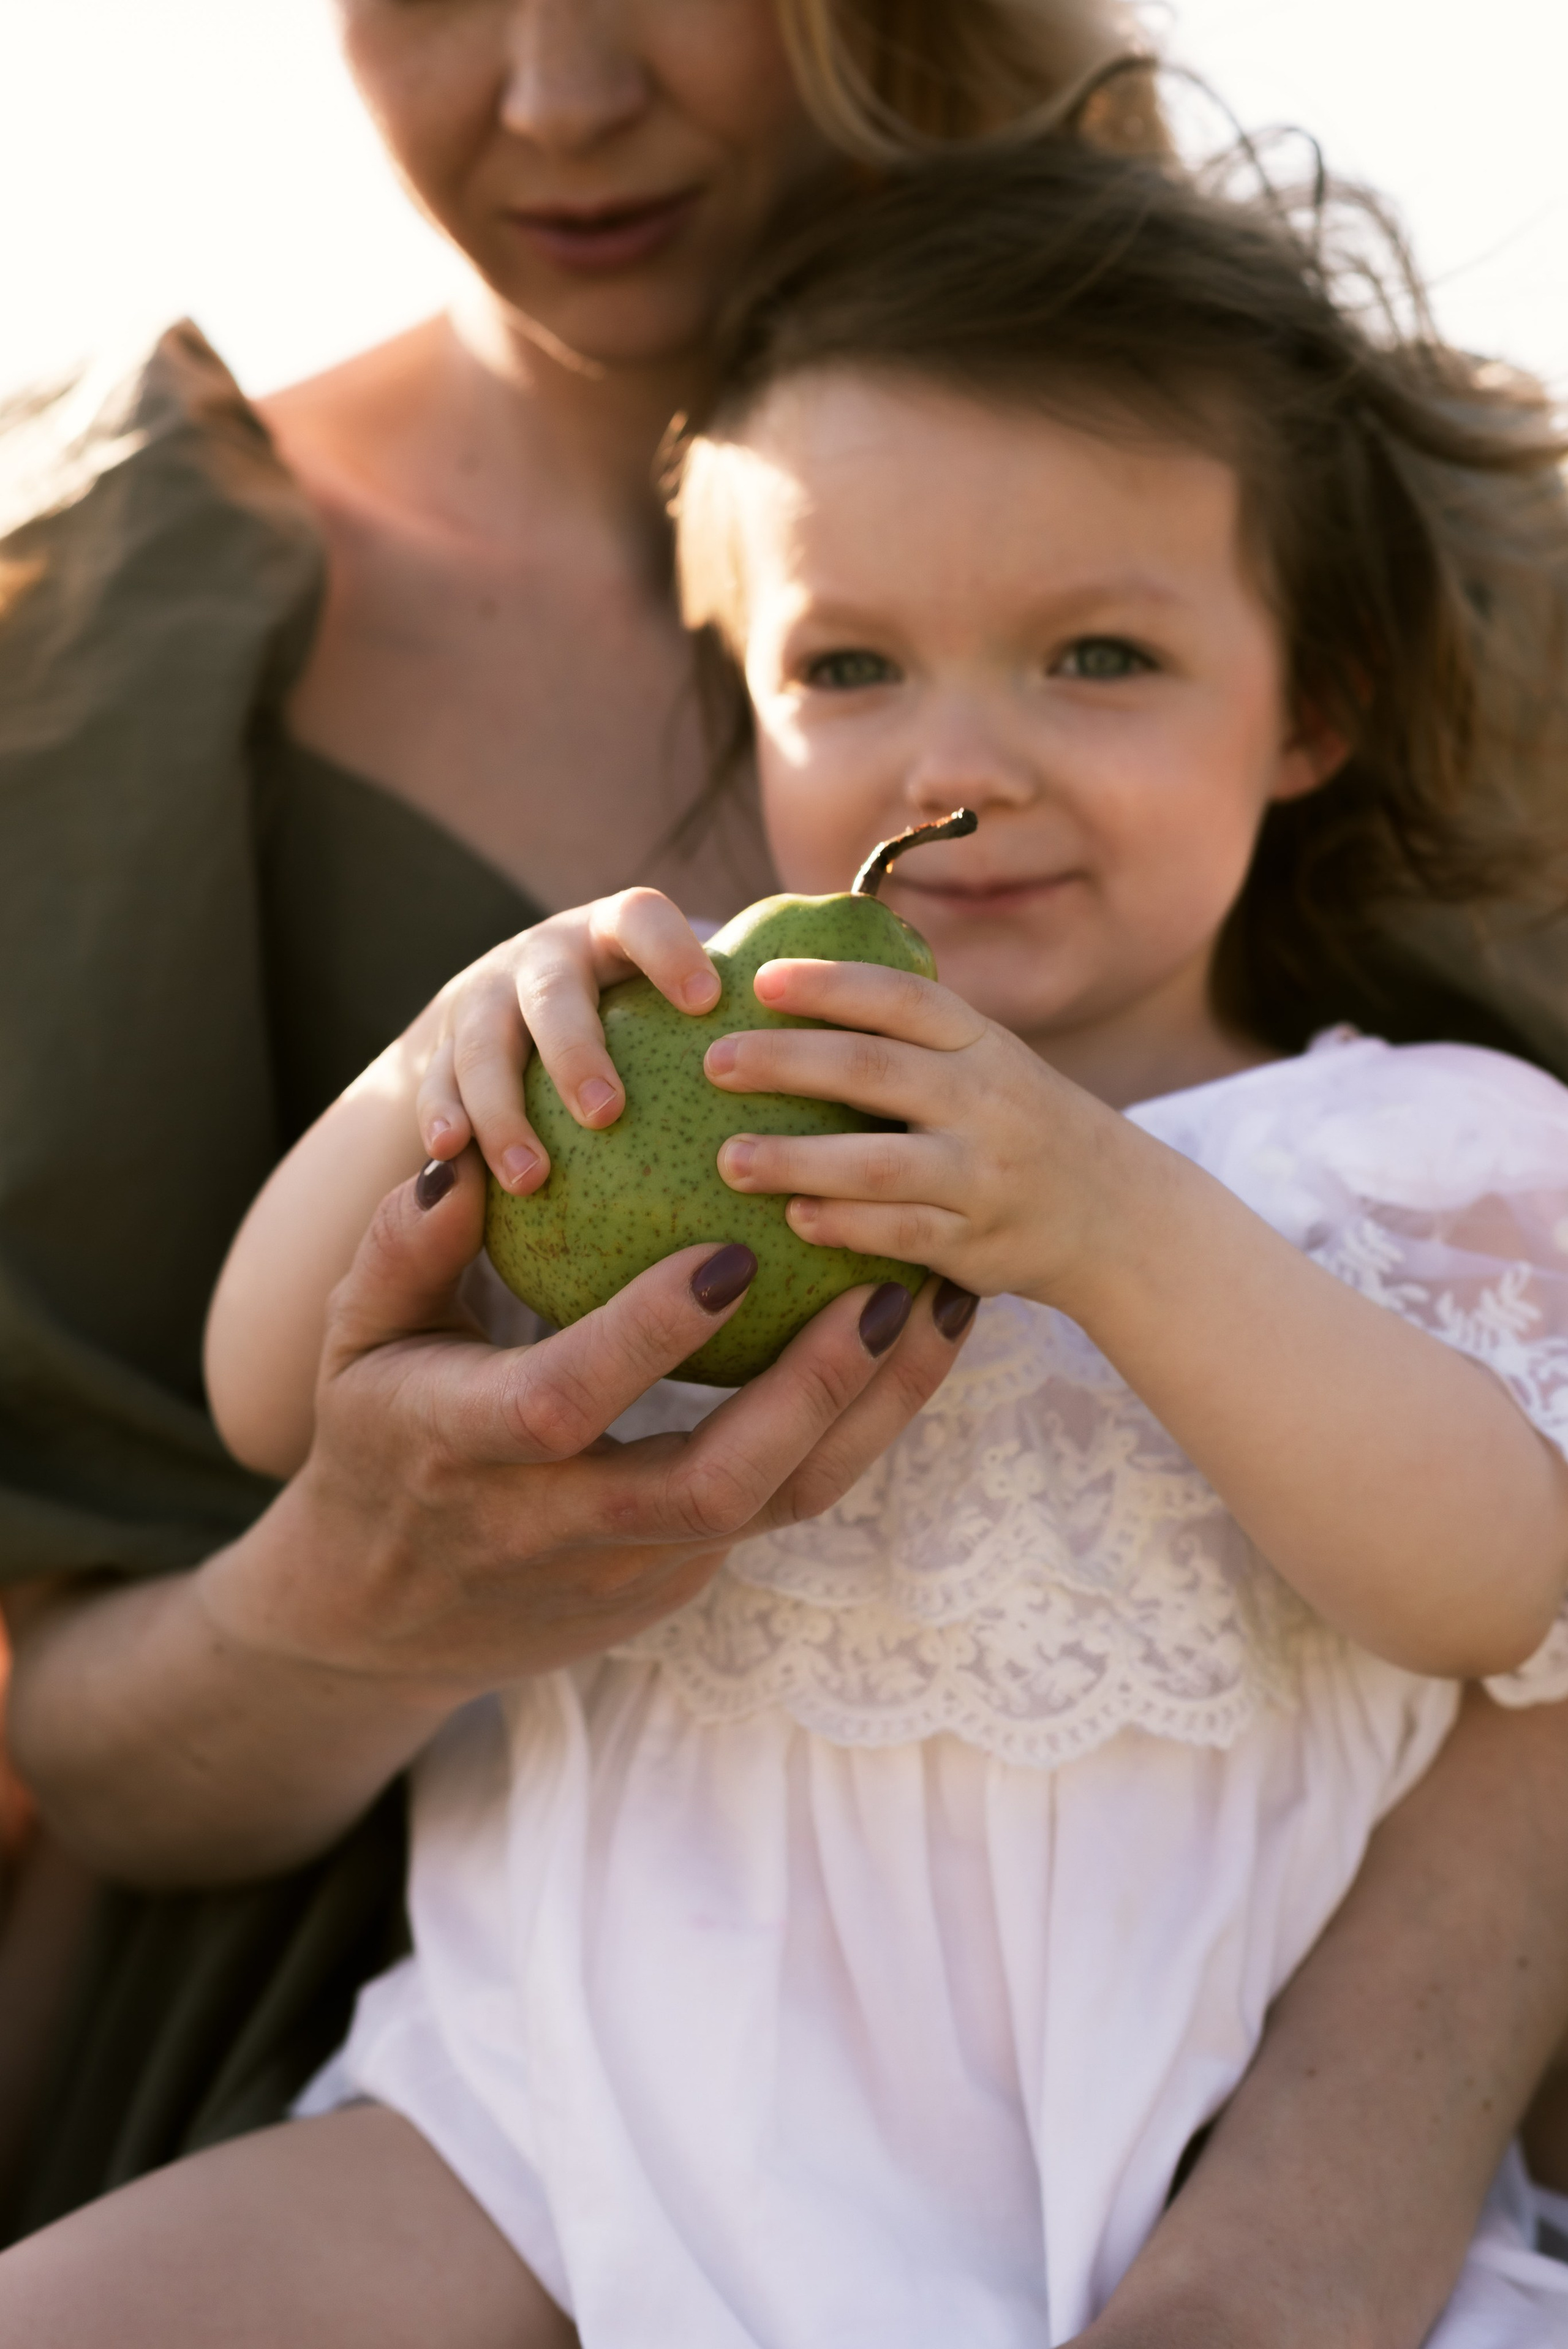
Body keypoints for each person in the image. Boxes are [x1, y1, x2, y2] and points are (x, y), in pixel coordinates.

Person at [10, 130, 1568, 2345]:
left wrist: (1109, 1215)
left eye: (1097, 655)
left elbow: (1501, 1583)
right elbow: (278, 1393)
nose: (962, 762)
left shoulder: (1418, 1143)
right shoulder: (673, 1091)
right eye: (850, 668)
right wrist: (439, 1072)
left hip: (1130, 2191)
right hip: (537, 2142)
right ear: (742, 692)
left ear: (1310, 703)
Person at [0, 0, 1143, 2234]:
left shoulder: (1297, 492)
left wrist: (1329, 2205)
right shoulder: (109, 616)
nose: (554, 98)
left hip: (1176, 2029)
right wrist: (357, 1597)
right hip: (412, 2096)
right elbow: (72, 1730)